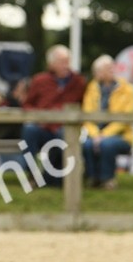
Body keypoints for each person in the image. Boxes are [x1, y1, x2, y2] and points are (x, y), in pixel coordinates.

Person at [20, 45, 86, 183]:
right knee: (29, 130)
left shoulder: (78, 81)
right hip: (43, 127)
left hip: (66, 127)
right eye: (62, 61)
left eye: (67, 61)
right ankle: (32, 174)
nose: (66, 65)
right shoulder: (40, 80)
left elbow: (84, 106)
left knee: (64, 134)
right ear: (51, 64)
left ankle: (54, 178)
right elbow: (27, 104)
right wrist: (39, 117)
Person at [81, 55, 133, 190]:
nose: (111, 70)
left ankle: (107, 179)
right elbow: (87, 116)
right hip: (95, 133)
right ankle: (93, 178)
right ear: (97, 72)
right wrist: (95, 135)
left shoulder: (127, 89)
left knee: (107, 144)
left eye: (112, 67)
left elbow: (124, 120)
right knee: (87, 145)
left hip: (121, 135)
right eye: (106, 68)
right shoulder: (92, 88)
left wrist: (104, 134)